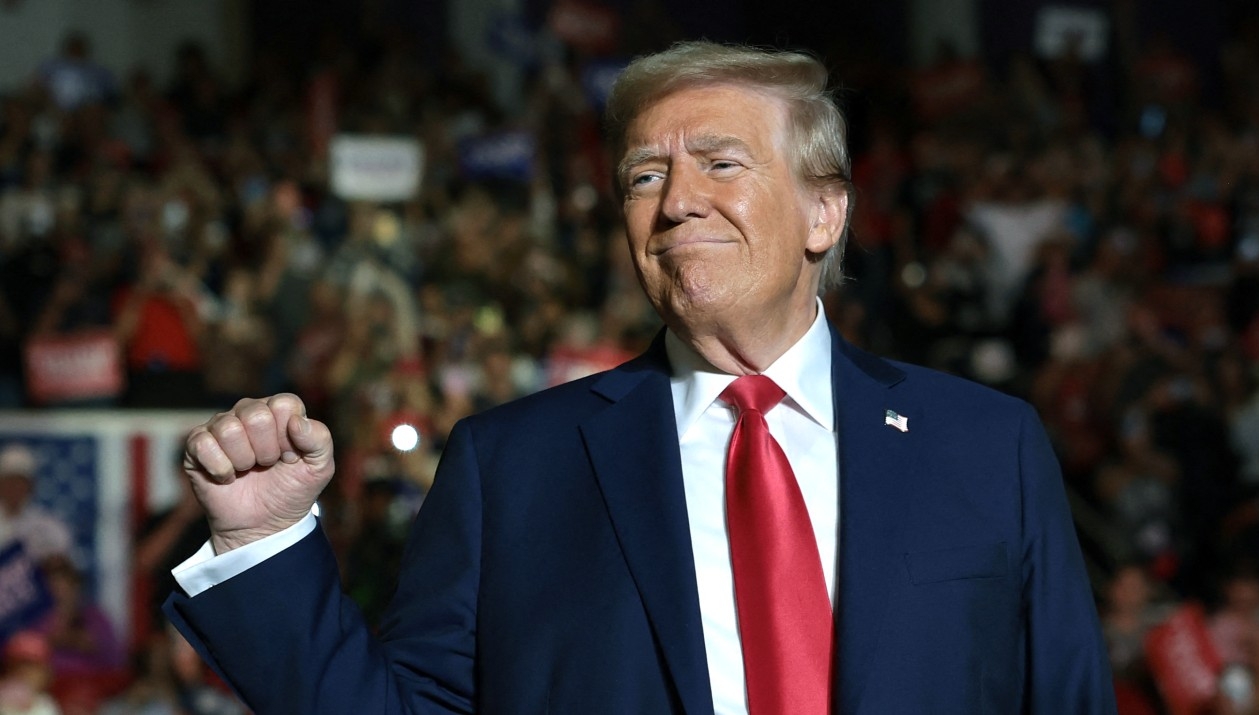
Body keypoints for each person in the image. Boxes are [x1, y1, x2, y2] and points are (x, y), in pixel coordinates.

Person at [165, 41, 1115, 713]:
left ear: (823, 213)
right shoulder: (514, 466)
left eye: (719, 161)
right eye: (642, 177)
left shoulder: (985, 444)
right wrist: (262, 542)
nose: (675, 201)